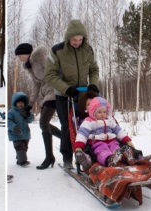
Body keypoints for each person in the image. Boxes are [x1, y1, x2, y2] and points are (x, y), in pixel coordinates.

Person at [45, 19, 100, 168]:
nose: (77, 42)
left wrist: (93, 84)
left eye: (80, 39)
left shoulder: (88, 50)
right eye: (74, 39)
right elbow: (50, 75)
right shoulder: (57, 51)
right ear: (68, 38)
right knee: (66, 126)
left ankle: (89, 154)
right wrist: (66, 88)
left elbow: (94, 69)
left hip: (83, 95)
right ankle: (67, 157)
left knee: (86, 125)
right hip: (64, 95)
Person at [14, 43, 61, 170]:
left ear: (28, 53)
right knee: (44, 124)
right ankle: (64, 140)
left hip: (54, 91)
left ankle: (50, 156)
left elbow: (56, 72)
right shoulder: (30, 66)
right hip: (44, 94)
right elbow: (36, 86)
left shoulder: (40, 58)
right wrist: (30, 105)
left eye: (21, 55)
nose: (20, 58)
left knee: (43, 123)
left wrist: (61, 89)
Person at [73, 97, 136, 171]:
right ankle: (109, 160)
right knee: (103, 152)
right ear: (93, 112)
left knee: (116, 149)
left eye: (104, 112)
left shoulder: (109, 120)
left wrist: (127, 140)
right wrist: (79, 146)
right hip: (98, 143)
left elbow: (118, 130)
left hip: (112, 141)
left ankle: (126, 157)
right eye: (99, 112)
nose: (102, 114)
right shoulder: (89, 121)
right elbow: (82, 134)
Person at [8, 92, 35, 167]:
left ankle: (19, 159)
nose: (20, 104)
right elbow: (8, 121)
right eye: (19, 102)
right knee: (20, 148)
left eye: (22, 102)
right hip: (15, 134)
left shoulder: (25, 111)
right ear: (15, 103)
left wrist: (28, 115)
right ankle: (22, 161)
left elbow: (30, 120)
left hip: (25, 134)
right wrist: (14, 127)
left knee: (25, 148)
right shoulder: (11, 112)